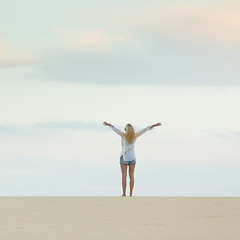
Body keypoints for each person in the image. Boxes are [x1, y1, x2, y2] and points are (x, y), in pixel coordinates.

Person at [103, 121, 162, 197]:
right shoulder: (135, 135)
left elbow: (115, 129)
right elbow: (144, 130)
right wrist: (153, 125)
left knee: (124, 176)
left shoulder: (123, 135)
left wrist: (109, 125)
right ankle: (131, 193)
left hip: (124, 157)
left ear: (126, 129)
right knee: (131, 176)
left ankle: (124, 193)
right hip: (132, 158)